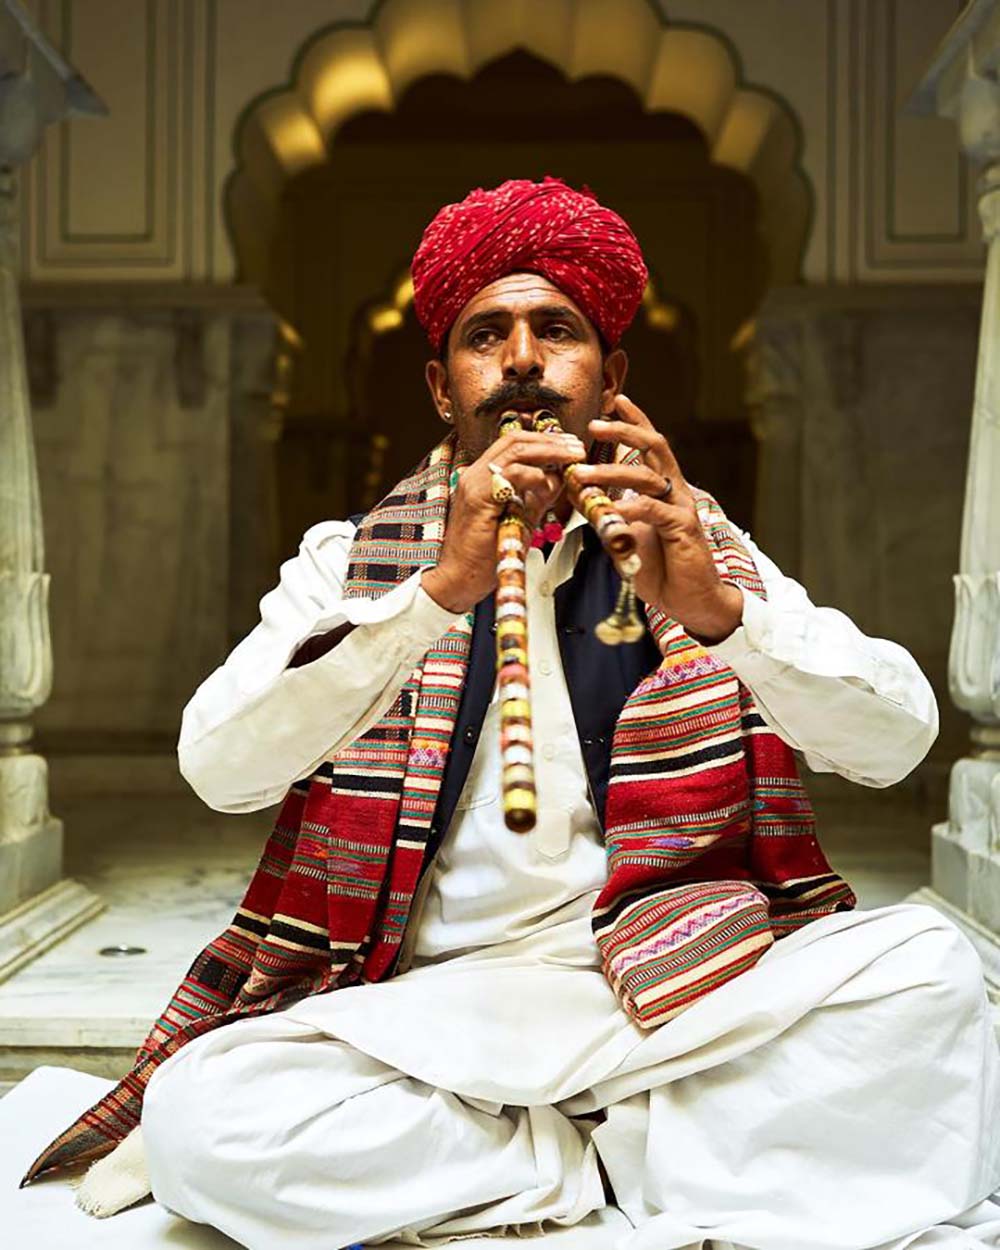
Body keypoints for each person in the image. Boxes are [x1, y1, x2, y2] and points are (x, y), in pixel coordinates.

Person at [22, 177, 1000, 1249]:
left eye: (557, 332)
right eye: (487, 335)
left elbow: (897, 738)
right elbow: (217, 765)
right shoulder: (350, 564)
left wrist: (722, 616)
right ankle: (616, 1154)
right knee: (206, 1120)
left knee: (932, 970)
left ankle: (530, 1153)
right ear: (443, 389)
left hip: (678, 982)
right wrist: (430, 596)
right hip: (435, 1007)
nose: (524, 360)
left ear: (609, 377)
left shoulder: (696, 544)